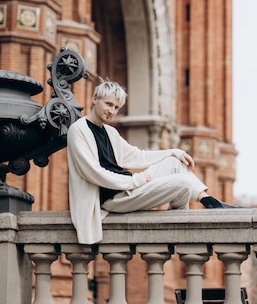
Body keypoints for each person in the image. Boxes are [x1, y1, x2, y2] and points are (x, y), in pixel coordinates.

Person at [67, 78, 236, 244]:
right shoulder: (78, 130)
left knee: (176, 163)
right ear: (94, 99)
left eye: (116, 107)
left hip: (128, 189)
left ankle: (206, 199)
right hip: (113, 198)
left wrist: (174, 152)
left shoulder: (110, 132)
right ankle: (181, 216)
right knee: (183, 181)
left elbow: (138, 156)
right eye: (109, 104)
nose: (112, 111)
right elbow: (92, 172)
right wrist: (136, 180)